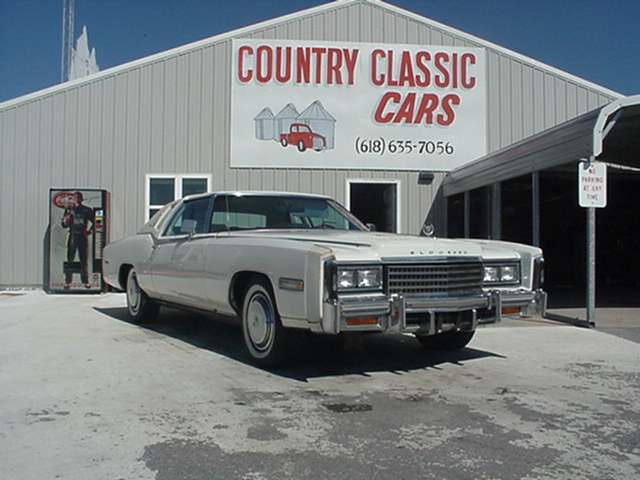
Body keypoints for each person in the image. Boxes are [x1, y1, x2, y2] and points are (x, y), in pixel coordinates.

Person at [61, 192, 95, 288]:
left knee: (83, 259)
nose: (76, 200)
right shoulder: (69, 210)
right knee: (70, 258)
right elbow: (64, 225)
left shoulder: (86, 210)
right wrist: (65, 220)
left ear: (81, 199)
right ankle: (68, 281)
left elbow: (96, 222)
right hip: (72, 235)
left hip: (82, 236)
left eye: (78, 198)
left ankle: (85, 281)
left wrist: (89, 231)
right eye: (75, 198)